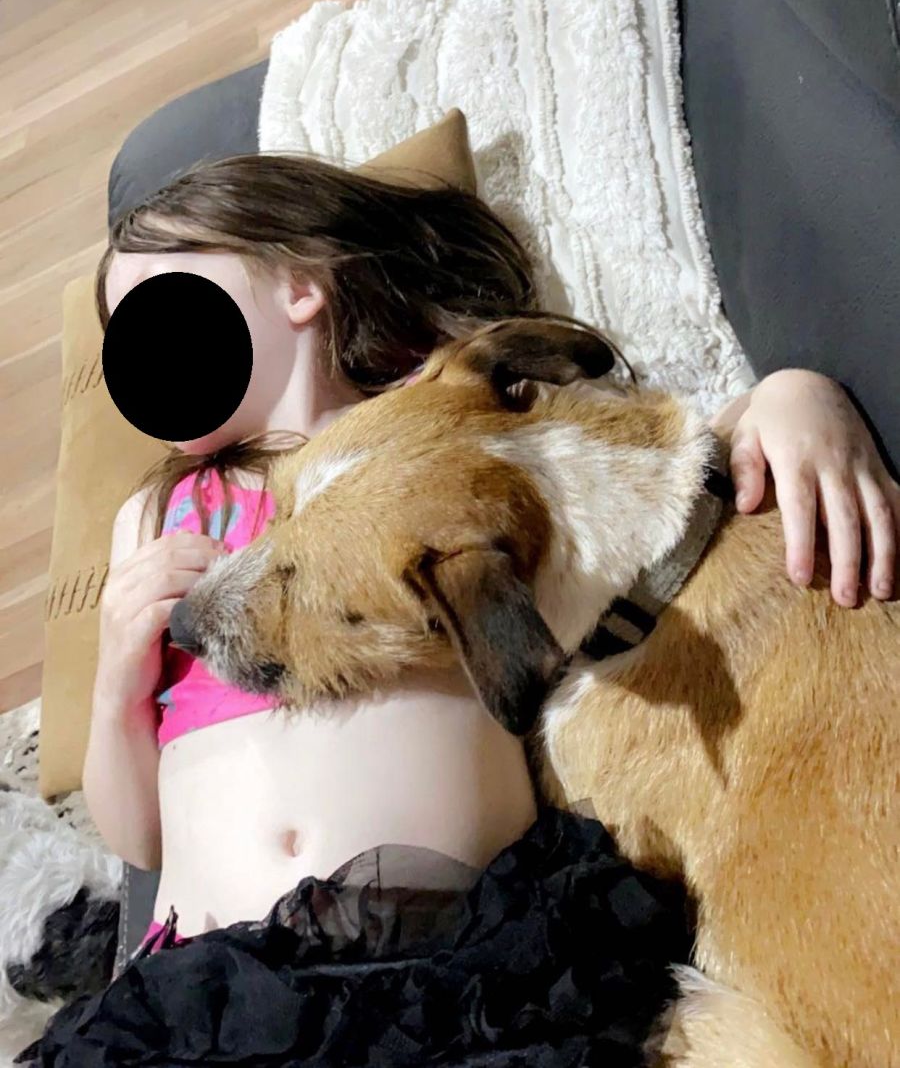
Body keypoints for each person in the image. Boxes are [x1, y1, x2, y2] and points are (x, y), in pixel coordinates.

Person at [18, 154, 899, 1066]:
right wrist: (118, 676)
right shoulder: (161, 516)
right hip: (211, 990)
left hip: (451, 978)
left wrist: (788, 395)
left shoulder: (453, 406)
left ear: (301, 286)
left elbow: (635, 494)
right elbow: (139, 839)